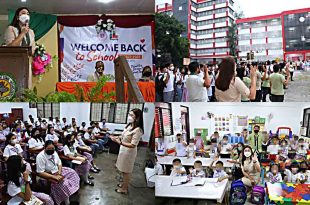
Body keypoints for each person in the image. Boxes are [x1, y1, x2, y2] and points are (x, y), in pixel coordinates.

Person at [110, 108, 144, 194]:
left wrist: (120, 142)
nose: (129, 117)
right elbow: (123, 136)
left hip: (129, 153)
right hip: (123, 151)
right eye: (129, 114)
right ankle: (123, 184)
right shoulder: (129, 126)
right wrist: (116, 138)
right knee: (122, 169)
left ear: (137, 118)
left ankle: (124, 189)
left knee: (126, 171)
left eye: (132, 115)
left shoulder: (138, 130)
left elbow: (133, 145)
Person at [36, 140, 80, 205]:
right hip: (49, 174)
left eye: (52, 148)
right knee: (63, 184)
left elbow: (59, 162)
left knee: (73, 172)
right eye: (49, 149)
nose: (51, 150)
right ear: (44, 147)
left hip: (57, 171)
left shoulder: (54, 152)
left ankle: (71, 192)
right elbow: (40, 172)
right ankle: (67, 202)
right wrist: (53, 176)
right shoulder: (40, 156)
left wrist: (59, 172)